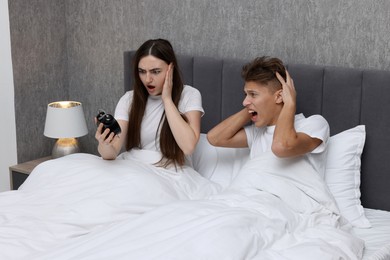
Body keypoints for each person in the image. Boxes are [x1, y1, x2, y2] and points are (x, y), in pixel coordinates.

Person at [207, 56, 329, 177]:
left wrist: (290, 103)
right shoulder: (257, 133)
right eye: (246, 94)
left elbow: (281, 147)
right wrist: (252, 106)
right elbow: (215, 138)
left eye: (253, 94)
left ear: (280, 96)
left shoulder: (314, 124)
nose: (244, 102)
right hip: (253, 194)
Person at [95, 39, 203, 169]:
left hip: (171, 172)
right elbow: (112, 154)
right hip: (134, 167)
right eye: (142, 71)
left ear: (171, 68)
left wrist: (167, 100)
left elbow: (188, 147)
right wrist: (104, 144)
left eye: (155, 71)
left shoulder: (189, 95)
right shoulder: (129, 99)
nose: (147, 79)